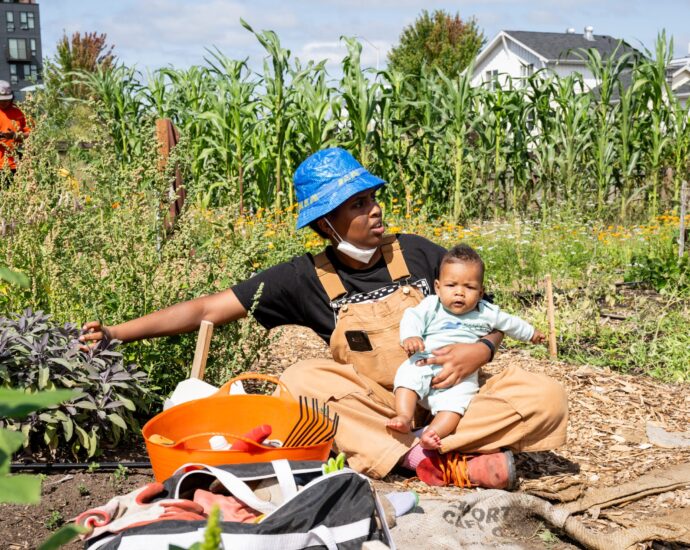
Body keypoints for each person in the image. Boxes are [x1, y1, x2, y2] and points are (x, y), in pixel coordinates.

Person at [80, 147, 568, 490]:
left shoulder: (420, 253)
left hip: (457, 399)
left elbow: (492, 316)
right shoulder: (302, 278)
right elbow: (208, 309)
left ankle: (425, 452)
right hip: (379, 409)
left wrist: (479, 351)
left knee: (544, 396)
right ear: (325, 222)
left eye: (374, 198)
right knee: (299, 380)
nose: (375, 211)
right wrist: (118, 332)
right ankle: (430, 457)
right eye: (359, 204)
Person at [387, 243, 546, 452]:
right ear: (437, 286)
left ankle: (431, 434)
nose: (460, 293)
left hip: (462, 374)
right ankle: (405, 417)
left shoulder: (486, 312)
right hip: (426, 360)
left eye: (469, 288)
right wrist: (412, 336)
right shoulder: (431, 305)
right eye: (451, 285)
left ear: (481, 293)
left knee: (457, 404)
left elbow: (510, 323)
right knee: (407, 376)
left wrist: (531, 333)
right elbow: (412, 316)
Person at [0, 80, 30, 175]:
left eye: (6, 100)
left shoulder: (20, 111)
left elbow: (33, 134)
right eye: (1, 100)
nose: (4, 102)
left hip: (18, 163)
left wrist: (16, 136)